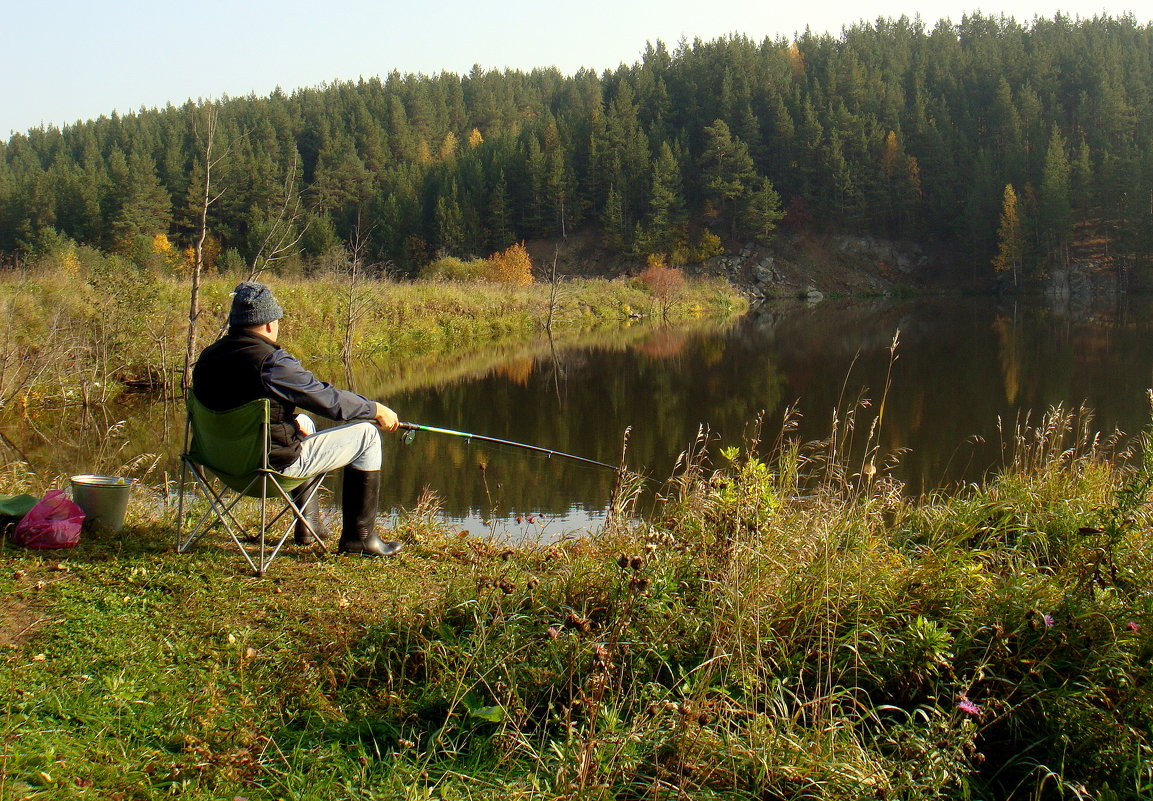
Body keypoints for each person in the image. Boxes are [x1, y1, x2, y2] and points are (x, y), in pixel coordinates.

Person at [192, 281, 402, 557]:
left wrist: (293, 424)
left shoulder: (209, 356)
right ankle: (359, 540)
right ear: (269, 324)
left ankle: (308, 524)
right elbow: (329, 401)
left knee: (304, 422)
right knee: (367, 435)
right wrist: (374, 409)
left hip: (222, 465)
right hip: (267, 470)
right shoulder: (271, 362)